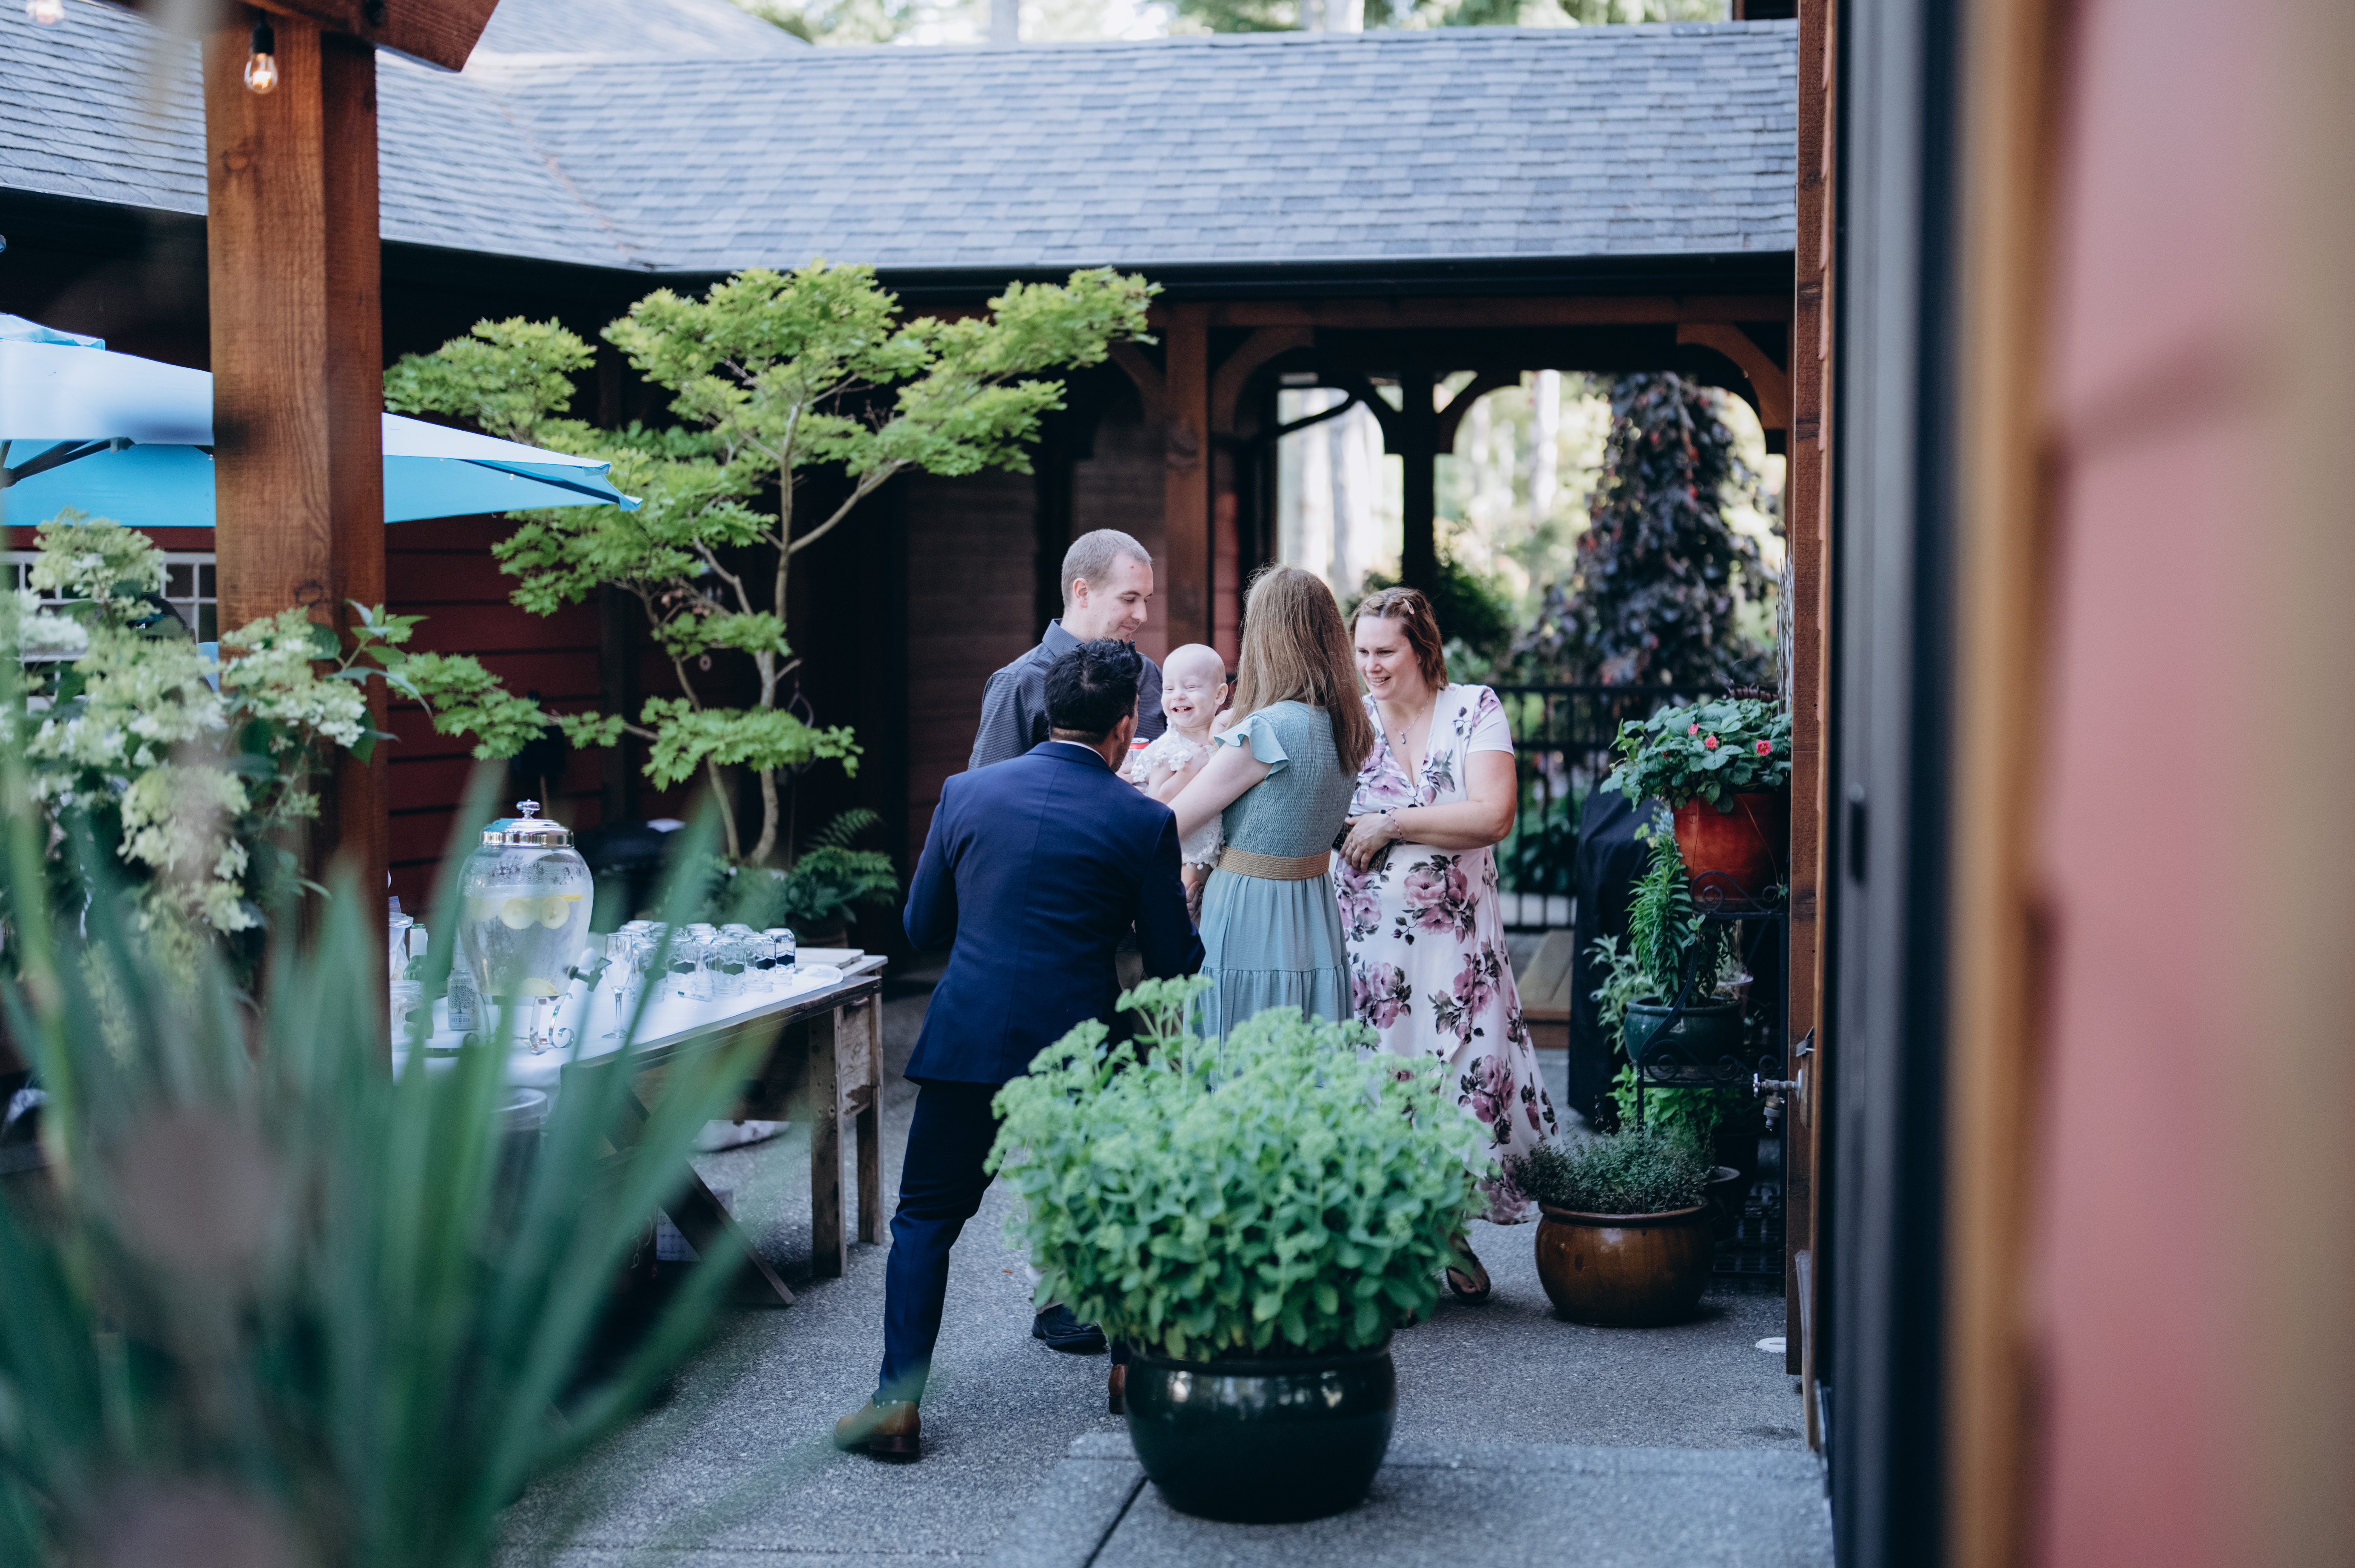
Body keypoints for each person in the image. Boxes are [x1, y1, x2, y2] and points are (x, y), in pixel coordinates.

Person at [834, 640, 1201, 1462]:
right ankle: (1129, 1371)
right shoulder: (1143, 820)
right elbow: (1172, 964)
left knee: (925, 1220)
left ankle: (895, 1403)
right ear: (1123, 726)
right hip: (1081, 1046)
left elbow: (921, 925)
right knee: (1117, 1206)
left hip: (968, 1039)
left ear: (1046, 714)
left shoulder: (965, 792)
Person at [1334, 587, 1558, 1298]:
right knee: (1383, 1085)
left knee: (1459, 1084)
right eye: (1361, 651)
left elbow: (1492, 815)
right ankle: (1408, 1244)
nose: (1370, 665)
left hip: (1457, 948)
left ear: (1421, 648)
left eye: (1384, 652)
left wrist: (1392, 822)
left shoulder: (1472, 709)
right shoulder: (1349, 721)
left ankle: (1443, 1226)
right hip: (1371, 950)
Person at [1169, 567, 1373, 1037]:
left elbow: (1171, 823)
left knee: (1242, 1048)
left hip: (1251, 911)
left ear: (1265, 638)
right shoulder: (1346, 726)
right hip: (1313, 907)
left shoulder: (1266, 731)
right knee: (1303, 1046)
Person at [969, 528, 1164, 770]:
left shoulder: (1147, 673)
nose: (1142, 616)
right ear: (1083, 593)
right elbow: (988, 790)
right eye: (1129, 599)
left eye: (1146, 600)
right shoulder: (1018, 684)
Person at [1128, 642, 1230, 921]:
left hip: (1222, 859)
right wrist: (1187, 772)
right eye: (1169, 689)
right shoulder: (1170, 749)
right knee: (1185, 913)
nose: (1178, 696)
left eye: (1191, 687)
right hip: (1183, 856)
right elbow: (1157, 801)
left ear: (1220, 695)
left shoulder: (1225, 738)